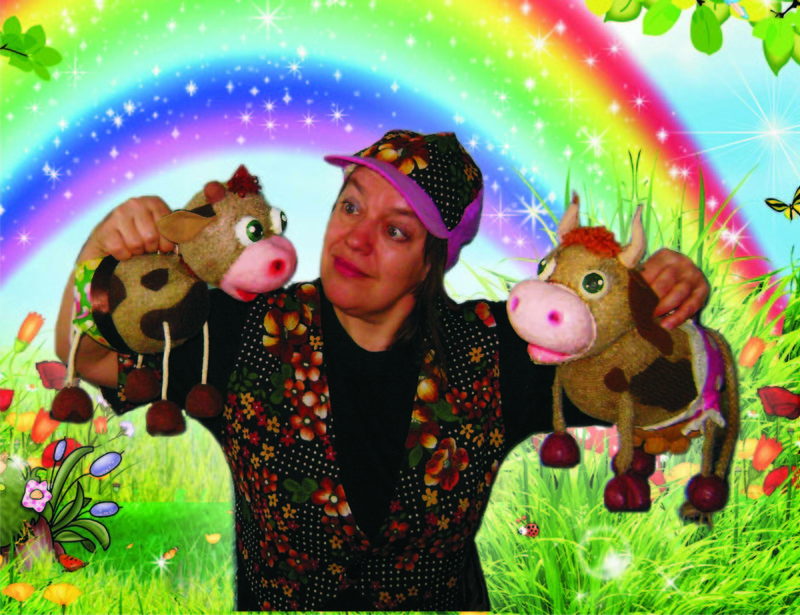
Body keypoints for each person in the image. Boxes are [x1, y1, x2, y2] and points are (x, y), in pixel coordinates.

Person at [55, 130, 710, 611]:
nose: (355, 238)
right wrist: (98, 249)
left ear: (432, 262)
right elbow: (82, 356)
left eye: (396, 231)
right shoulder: (244, 326)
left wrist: (664, 310)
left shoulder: (500, 350)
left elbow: (671, 395)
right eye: (350, 206)